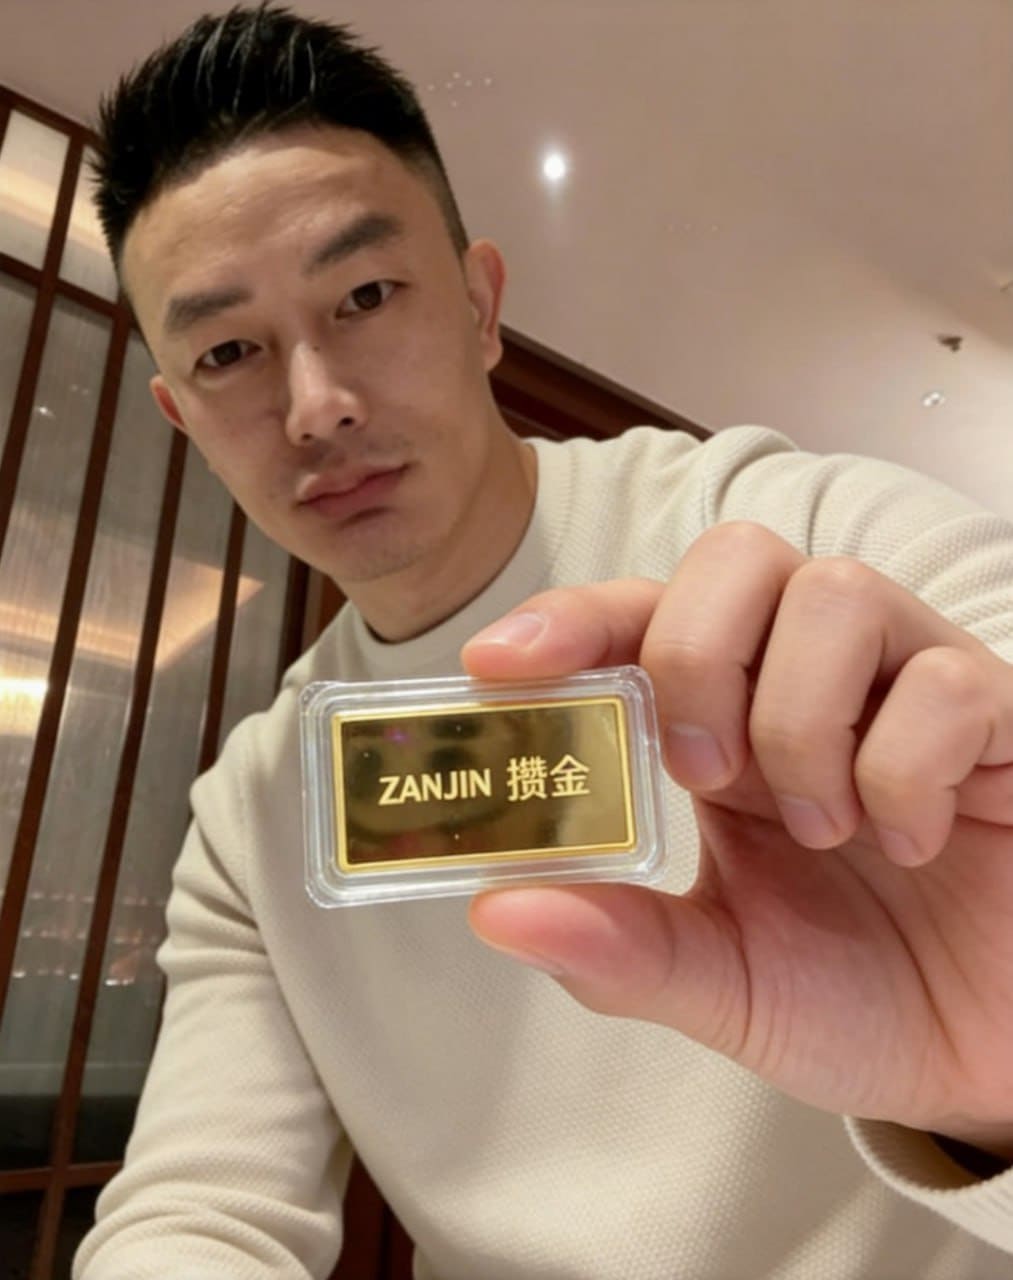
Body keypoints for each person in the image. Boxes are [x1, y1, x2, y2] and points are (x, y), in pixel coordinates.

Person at [75, 5, 1013, 1277]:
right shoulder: (256, 809)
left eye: (365, 295)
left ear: (478, 305)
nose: (316, 404)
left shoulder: (819, 543)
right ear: (182, 416)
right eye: (229, 350)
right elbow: (201, 1208)